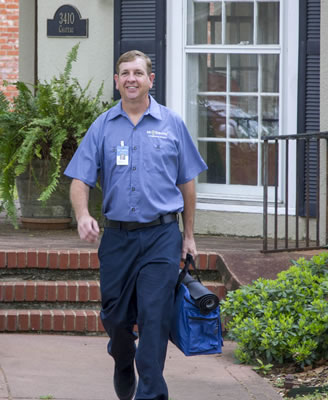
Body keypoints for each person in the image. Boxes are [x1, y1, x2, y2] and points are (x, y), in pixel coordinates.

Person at [64, 50, 207, 400]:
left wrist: (188, 235)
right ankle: (122, 359)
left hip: (161, 236)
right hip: (116, 237)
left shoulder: (172, 124)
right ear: (116, 81)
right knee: (115, 318)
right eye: (125, 73)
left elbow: (187, 182)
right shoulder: (103, 126)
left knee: (155, 318)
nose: (131, 79)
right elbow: (79, 180)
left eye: (138, 73)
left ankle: (151, 393)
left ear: (150, 80)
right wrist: (83, 216)